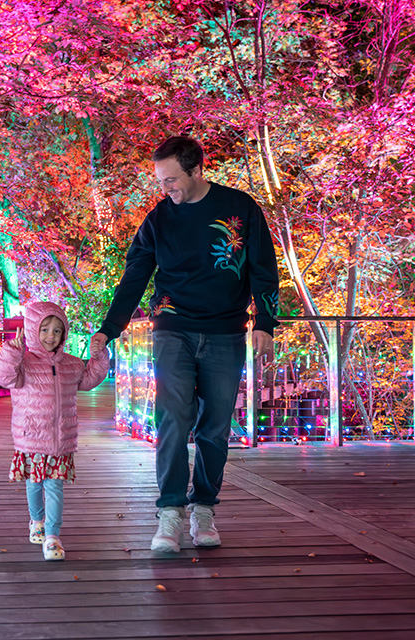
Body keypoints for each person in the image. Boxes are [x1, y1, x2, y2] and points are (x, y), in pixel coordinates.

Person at [93, 136, 280, 553]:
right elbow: (135, 276)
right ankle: (170, 511)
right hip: (172, 329)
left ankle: (204, 508)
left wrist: (265, 322)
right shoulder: (159, 219)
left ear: (197, 170)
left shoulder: (241, 208)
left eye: (172, 180)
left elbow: (264, 268)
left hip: (226, 332)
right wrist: (110, 327)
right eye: (161, 181)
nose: (166, 189)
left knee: (215, 426)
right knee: (173, 419)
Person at [0, 301, 110, 561]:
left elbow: (90, 380)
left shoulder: (71, 364)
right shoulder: (22, 363)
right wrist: (12, 351)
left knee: (54, 486)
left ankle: (53, 535)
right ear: (32, 329)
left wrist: (99, 357)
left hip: (60, 439)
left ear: (64, 333)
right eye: (44, 329)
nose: (50, 336)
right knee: (34, 483)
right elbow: (2, 378)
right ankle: (36, 521)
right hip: (31, 437)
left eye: (57, 330)